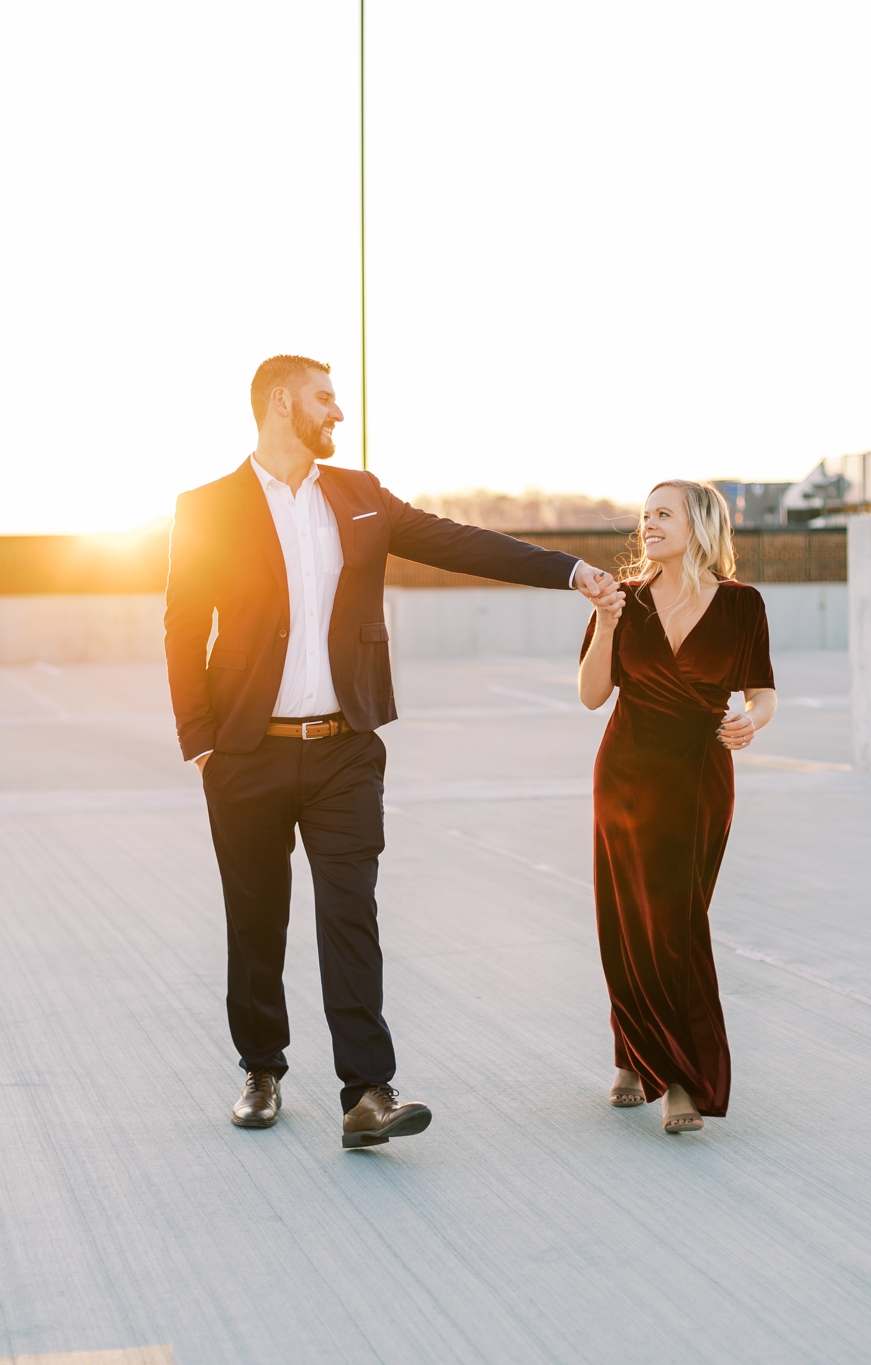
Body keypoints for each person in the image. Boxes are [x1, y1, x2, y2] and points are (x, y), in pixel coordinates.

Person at [165, 354, 624, 1150]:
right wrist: (201, 743)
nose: (337, 412)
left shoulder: (360, 496)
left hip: (345, 747)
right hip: (247, 752)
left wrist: (570, 570)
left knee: (352, 914)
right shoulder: (206, 507)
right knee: (256, 916)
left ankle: (367, 1092)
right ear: (281, 403)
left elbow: (459, 543)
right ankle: (262, 1069)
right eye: (324, 398)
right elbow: (181, 625)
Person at [576, 480, 777, 1134]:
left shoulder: (743, 605)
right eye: (646, 514)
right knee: (629, 918)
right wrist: (606, 622)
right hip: (628, 774)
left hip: (700, 778)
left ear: (699, 524)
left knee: (677, 923)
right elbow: (590, 693)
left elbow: (763, 692)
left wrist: (753, 719)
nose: (649, 523)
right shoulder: (623, 600)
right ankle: (670, 1074)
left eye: (664, 513)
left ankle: (649, 1057)